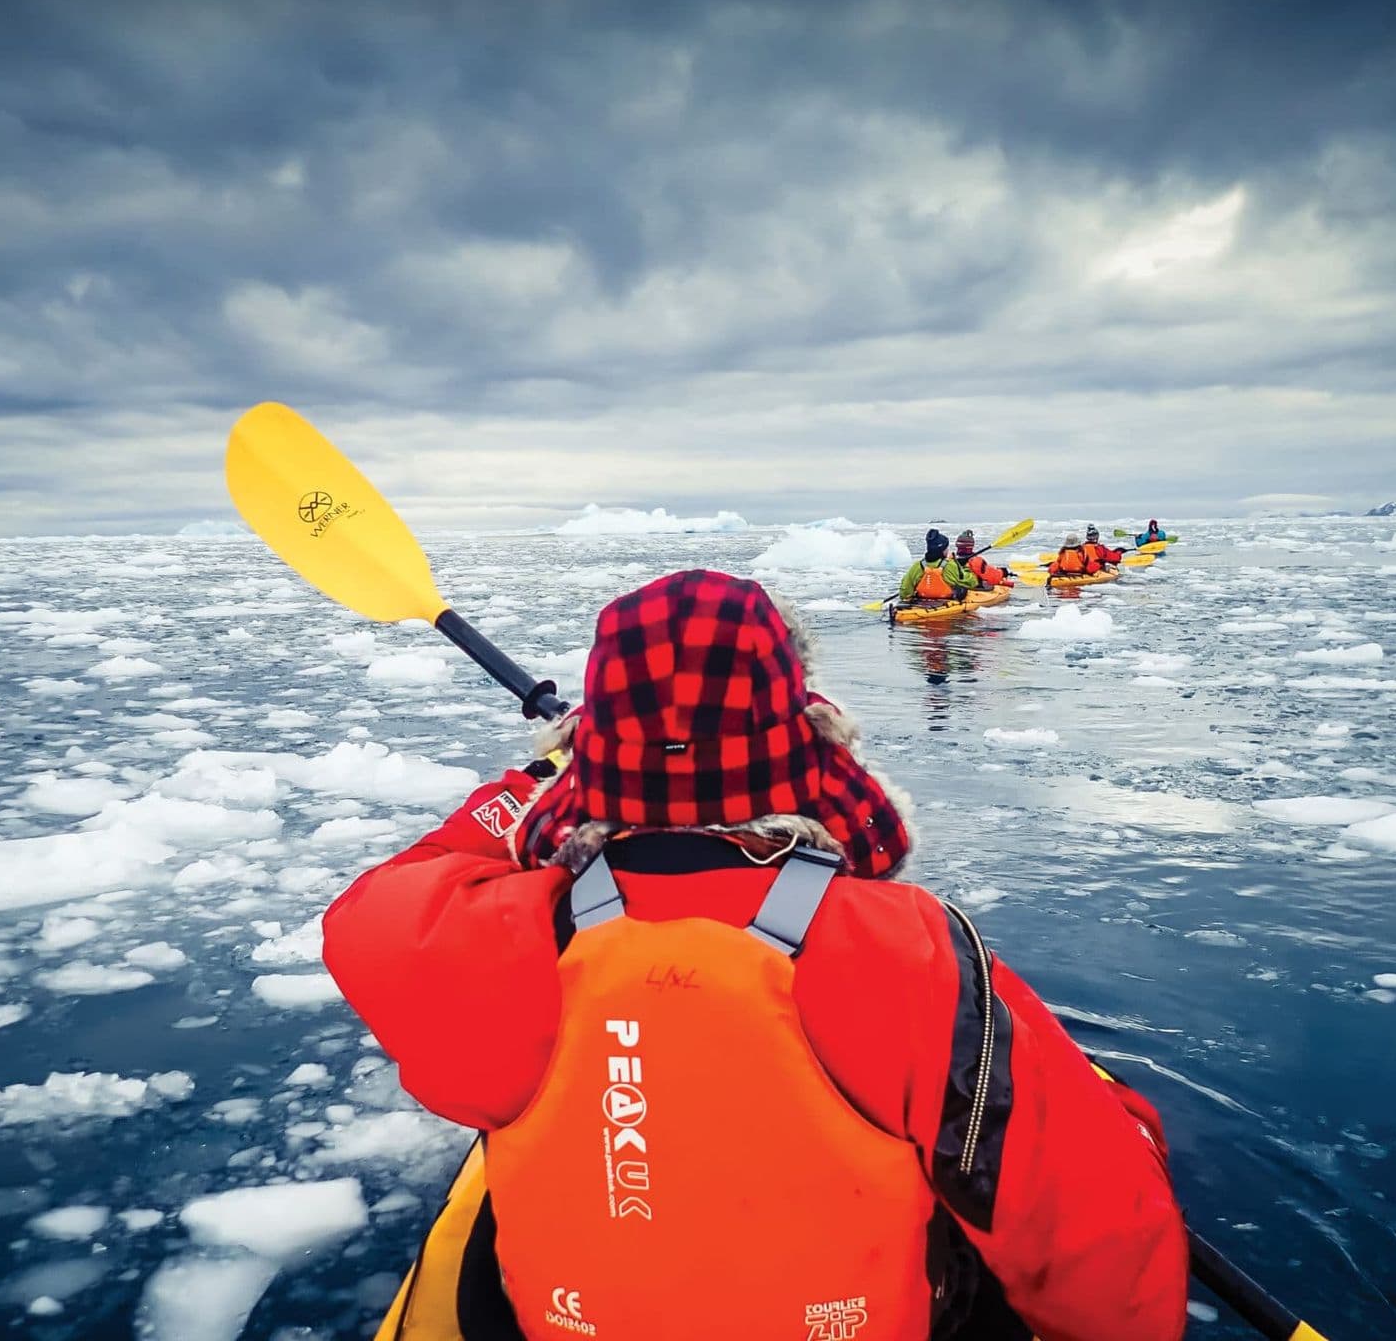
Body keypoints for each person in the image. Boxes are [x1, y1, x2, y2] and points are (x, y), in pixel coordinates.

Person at [323, 572, 1188, 1341]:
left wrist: (534, 782)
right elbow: (1105, 1237)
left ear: (595, 766)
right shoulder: (909, 947)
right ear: (803, 750)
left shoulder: (484, 939)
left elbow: (389, 895)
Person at [897, 527, 979, 605]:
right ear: (942, 550)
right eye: (946, 548)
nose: (948, 550)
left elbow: (905, 592)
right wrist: (966, 568)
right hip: (946, 605)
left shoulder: (917, 566)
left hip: (921, 603)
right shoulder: (950, 565)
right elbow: (971, 583)